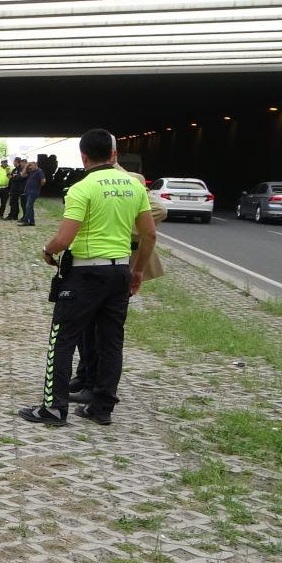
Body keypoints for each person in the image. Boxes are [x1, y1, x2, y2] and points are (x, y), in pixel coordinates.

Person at [19, 129, 157, 426]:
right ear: (114, 154)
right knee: (111, 342)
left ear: (83, 156)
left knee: (63, 338)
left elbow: (65, 238)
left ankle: (54, 408)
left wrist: (47, 250)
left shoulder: (82, 188)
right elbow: (150, 233)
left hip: (84, 275)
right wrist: (138, 271)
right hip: (119, 271)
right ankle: (102, 407)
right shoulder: (135, 187)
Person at [68, 161, 166, 401]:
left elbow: (159, 213)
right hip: (101, 263)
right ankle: (87, 377)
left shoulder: (132, 181)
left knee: (103, 333)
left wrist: (126, 224)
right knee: (90, 330)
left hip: (118, 263)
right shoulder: (92, 183)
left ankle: (97, 387)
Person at [19, 161, 46, 226]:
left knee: (28, 206)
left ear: (36, 164)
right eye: (29, 166)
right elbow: (22, 175)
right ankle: (32, 221)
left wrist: (38, 186)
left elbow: (43, 180)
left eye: (31, 165)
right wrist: (26, 166)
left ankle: (25, 221)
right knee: (30, 206)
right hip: (28, 191)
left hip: (34, 191)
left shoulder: (39, 171)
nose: (30, 167)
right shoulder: (31, 171)